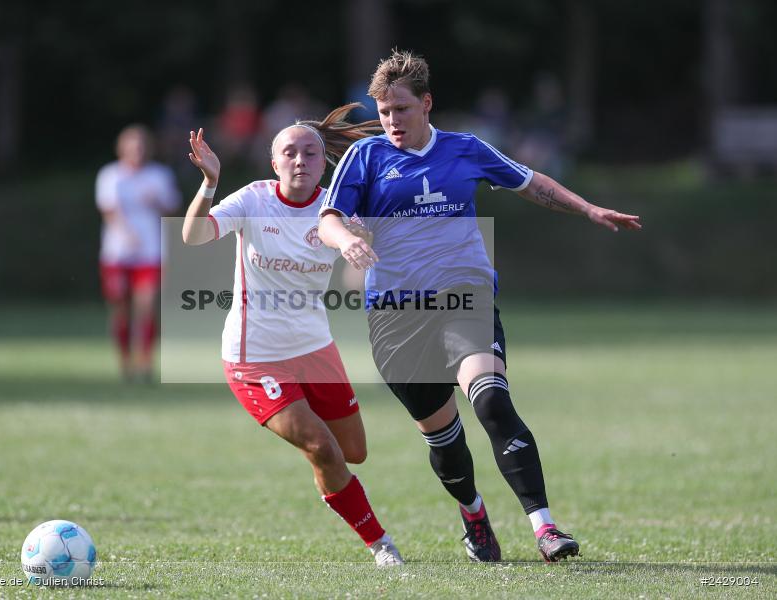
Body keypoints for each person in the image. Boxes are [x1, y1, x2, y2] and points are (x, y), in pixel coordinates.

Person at [318, 50, 642, 563]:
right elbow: (329, 217)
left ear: (427, 104)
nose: (391, 121)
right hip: (395, 315)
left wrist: (587, 207)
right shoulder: (367, 158)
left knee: (491, 400)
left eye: (401, 109)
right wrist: (344, 242)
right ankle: (474, 516)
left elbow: (530, 182)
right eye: (383, 112)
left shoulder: (465, 149)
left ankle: (546, 528)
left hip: (463, 298)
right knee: (443, 437)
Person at [181, 104, 404, 567]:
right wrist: (209, 183)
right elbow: (194, 236)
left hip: (314, 348)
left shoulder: (335, 211)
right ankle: (381, 544)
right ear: (274, 163)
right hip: (254, 356)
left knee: (352, 453)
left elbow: (352, 281)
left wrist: (364, 248)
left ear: (325, 164)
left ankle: (328, 475)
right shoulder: (254, 200)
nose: (300, 159)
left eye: (310, 153)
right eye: (289, 152)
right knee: (322, 447)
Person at [96, 124, 182, 381]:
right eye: (132, 146)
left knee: (146, 305)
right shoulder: (111, 175)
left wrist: (156, 202)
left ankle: (146, 361)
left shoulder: (160, 175)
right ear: (122, 149)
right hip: (117, 253)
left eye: (142, 146)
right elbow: (108, 210)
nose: (137, 151)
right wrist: (126, 233)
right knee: (120, 307)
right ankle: (125, 361)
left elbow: (173, 208)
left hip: (151, 251)